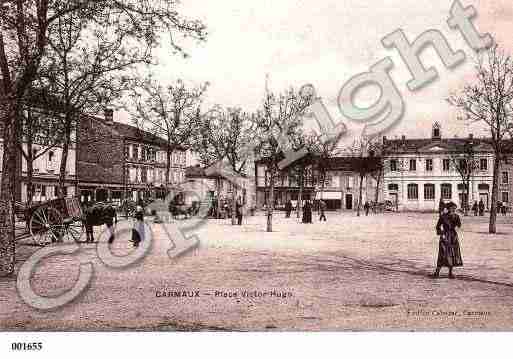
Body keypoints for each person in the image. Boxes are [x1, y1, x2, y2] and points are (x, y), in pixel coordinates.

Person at [432, 203, 463, 279]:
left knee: (453, 254)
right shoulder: (443, 216)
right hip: (445, 236)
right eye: (452, 208)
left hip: (453, 237)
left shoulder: (456, 216)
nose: (453, 210)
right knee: (442, 253)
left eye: (454, 209)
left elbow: (459, 225)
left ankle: (450, 273)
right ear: (448, 208)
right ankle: (437, 272)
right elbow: (437, 226)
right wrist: (441, 234)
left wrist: (457, 228)